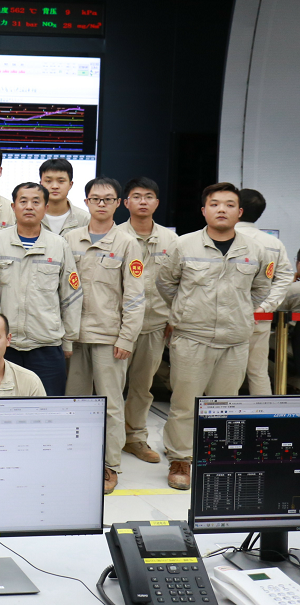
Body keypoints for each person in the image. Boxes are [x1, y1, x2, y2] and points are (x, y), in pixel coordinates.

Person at [156, 183, 274, 490]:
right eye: (215, 204)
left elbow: (261, 289)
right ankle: (180, 459)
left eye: (229, 204)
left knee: (224, 406)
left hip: (234, 340)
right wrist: (187, 311)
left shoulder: (255, 250)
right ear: (204, 210)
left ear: (240, 212)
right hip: (192, 337)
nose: (222, 209)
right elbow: (166, 284)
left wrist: (238, 312)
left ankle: (215, 459)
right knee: (184, 404)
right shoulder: (184, 245)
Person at [64, 178, 145, 495]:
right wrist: (64, 336)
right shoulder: (69, 239)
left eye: (108, 199)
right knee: (75, 403)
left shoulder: (127, 244)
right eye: (95, 198)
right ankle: (75, 460)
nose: (101, 203)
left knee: (111, 405)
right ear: (85, 202)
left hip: (110, 339)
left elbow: (135, 297)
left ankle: (110, 465)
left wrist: (127, 338)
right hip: (75, 337)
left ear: (118, 203)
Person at [0, 182, 82, 397]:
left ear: (46, 208)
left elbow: (71, 295)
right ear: (13, 207)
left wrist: (68, 340)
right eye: (23, 201)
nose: (29, 206)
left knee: (48, 406)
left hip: (46, 345)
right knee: (2, 405)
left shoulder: (59, 245)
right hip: (4, 345)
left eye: (36, 202)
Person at [120, 177, 180, 464]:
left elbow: (180, 283)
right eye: (136, 196)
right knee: (109, 387)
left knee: (142, 386)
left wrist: (173, 317)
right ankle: (108, 438)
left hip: (155, 324)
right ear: (125, 202)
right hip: (117, 327)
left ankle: (135, 438)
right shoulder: (114, 236)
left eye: (148, 196)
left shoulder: (172, 241)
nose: (142, 201)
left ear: (157, 202)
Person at [236, 189, 293, 395]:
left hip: (223, 317)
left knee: (223, 372)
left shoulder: (224, 237)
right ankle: (263, 413)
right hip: (259, 316)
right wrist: (265, 306)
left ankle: (219, 413)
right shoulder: (273, 243)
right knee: (258, 371)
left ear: (238, 209)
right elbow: (285, 277)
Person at [39, 158, 90, 237]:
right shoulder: (30, 216)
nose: (55, 186)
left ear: (70, 184)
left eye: (61, 181)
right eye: (48, 181)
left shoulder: (85, 220)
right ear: (41, 184)